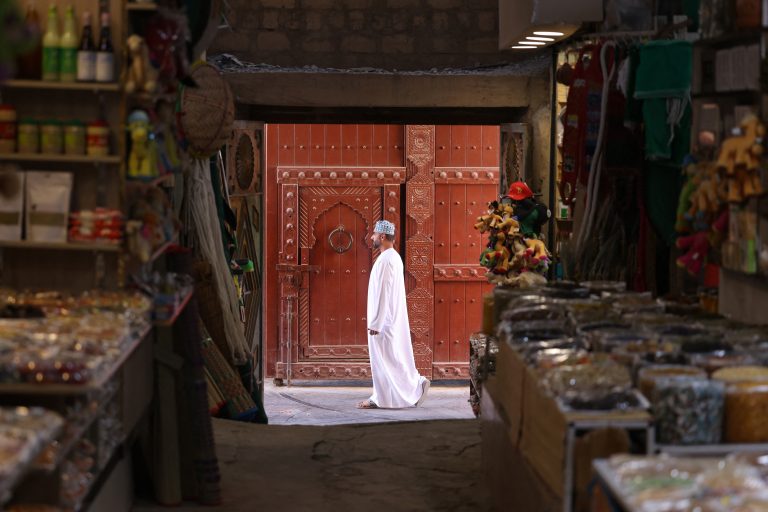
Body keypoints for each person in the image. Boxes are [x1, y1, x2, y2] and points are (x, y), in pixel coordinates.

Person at [357, 220, 430, 409]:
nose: (371, 237)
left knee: (388, 360)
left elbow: (384, 291)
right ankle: (382, 397)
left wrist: (377, 322)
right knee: (386, 359)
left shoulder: (388, 259)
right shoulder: (390, 257)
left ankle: (415, 385)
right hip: (386, 320)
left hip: (384, 322)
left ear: (382, 236)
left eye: (374, 234)